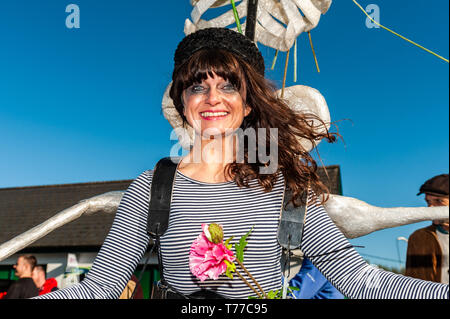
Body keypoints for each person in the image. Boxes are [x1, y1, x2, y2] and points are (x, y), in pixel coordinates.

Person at [36, 27, 448, 299]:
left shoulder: (285, 185)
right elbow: (99, 288)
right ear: (182, 101)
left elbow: (361, 279)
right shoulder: (152, 186)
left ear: (248, 103)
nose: (212, 98)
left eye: (228, 85)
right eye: (197, 86)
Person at [405, 174, 449, 284]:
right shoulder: (418, 238)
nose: (430, 208)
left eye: (438, 201)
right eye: (428, 202)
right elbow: (412, 284)